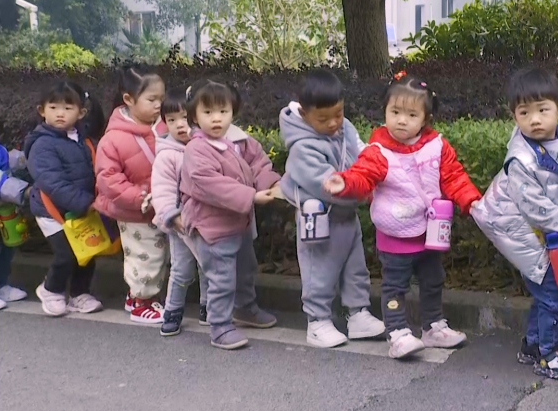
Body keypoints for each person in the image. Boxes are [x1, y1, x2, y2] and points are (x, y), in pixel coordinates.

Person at [324, 73, 480, 359]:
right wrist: (344, 182)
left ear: (426, 118)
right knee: (395, 286)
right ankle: (397, 332)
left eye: (411, 115)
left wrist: (471, 200)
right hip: (395, 234)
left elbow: (454, 176)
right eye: (395, 112)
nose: (401, 121)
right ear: (385, 111)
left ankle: (433, 326)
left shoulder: (437, 146)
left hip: (430, 232)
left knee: (433, 280)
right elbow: (362, 175)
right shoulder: (378, 151)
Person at [472, 67, 558, 380]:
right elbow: (536, 209)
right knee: (553, 294)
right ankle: (550, 354)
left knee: (548, 293)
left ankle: (533, 343)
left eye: (542, 110)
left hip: (548, 233)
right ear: (514, 116)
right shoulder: (520, 159)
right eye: (524, 112)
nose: (534, 119)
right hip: (521, 232)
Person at [279, 69, 385, 348]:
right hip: (319, 217)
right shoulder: (302, 148)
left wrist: (370, 170)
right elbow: (326, 185)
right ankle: (317, 321)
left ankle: (358, 313)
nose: (333, 123)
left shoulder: (344, 127)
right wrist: (361, 189)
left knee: (355, 265)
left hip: (346, 214)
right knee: (319, 269)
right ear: (304, 114)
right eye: (323, 118)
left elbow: (361, 153)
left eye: (338, 113)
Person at [180, 80, 282, 350]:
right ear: (194, 116)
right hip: (212, 227)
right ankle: (219, 326)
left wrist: (271, 183)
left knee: (245, 269)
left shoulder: (238, 140)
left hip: (239, 222)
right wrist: (251, 196)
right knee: (221, 278)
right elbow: (208, 183)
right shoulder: (197, 148)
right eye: (208, 112)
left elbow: (259, 163)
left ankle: (245, 308)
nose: (217, 118)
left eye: (223, 111)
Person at [95, 65, 169, 324]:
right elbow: (109, 180)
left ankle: (135, 295)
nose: (159, 105)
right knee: (145, 255)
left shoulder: (164, 126)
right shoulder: (113, 139)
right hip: (134, 211)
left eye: (161, 99)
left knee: (158, 253)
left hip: (160, 206)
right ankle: (141, 302)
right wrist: (140, 198)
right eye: (151, 99)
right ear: (128, 99)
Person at [25, 81, 107, 317]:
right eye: (53, 108)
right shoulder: (42, 144)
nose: (60, 113)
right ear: (42, 110)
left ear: (81, 112)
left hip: (79, 208)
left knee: (87, 250)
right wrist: (86, 202)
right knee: (66, 254)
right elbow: (53, 183)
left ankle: (79, 293)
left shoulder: (82, 139)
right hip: (50, 209)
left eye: (68, 108)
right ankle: (51, 289)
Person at [151, 88, 209, 336]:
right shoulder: (167, 155)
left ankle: (208, 307)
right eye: (171, 120)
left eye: (184, 118)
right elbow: (161, 190)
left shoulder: (205, 146)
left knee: (208, 266)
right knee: (182, 270)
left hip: (205, 222)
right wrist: (172, 216)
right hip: (180, 225)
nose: (179, 125)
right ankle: (173, 311)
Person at [0, 143, 31, 310]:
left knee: (7, 247)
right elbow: (1, 180)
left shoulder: (1, 150)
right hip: (6, 197)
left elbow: (9, 164)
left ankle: (1, 285)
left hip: (4, 207)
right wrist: (24, 191)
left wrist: (25, 158)